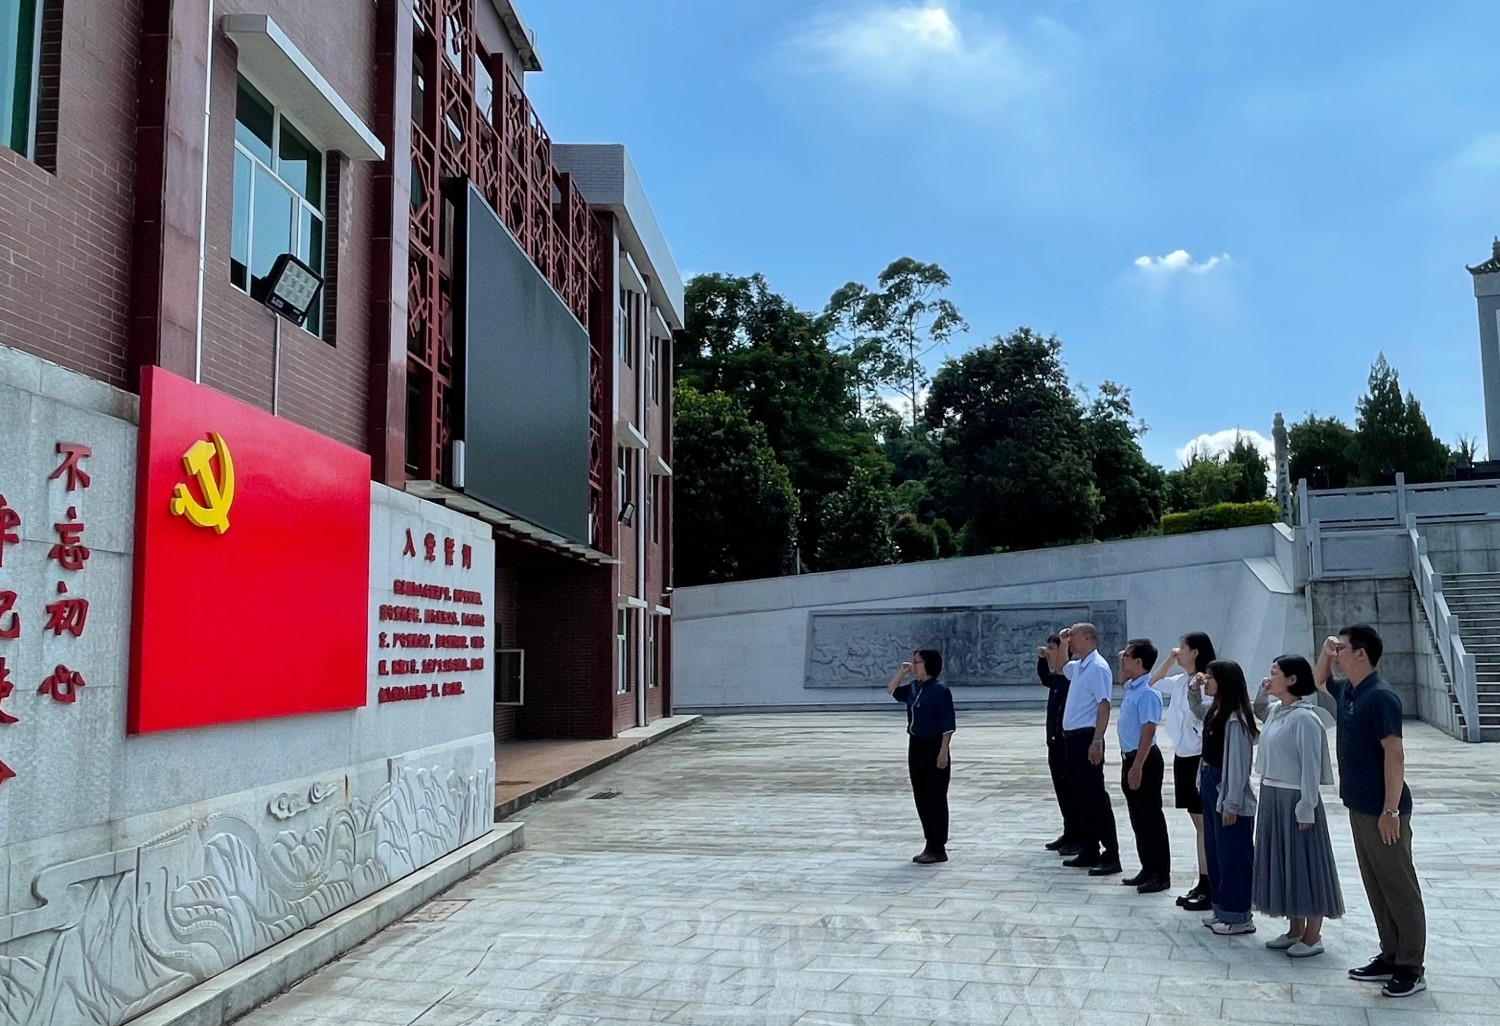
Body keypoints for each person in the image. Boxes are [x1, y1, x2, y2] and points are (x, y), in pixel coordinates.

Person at [1314, 626, 1428, 998]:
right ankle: (1390, 954)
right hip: (1359, 807)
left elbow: (1395, 754)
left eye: (1343, 649)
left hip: (1384, 810)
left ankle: (1410, 967)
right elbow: (1319, 680)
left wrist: (1390, 810)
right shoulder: (1349, 690)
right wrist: (1325, 651)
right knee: (1376, 885)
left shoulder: (1381, 697)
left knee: (1399, 887)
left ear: (1361, 653)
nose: (1337, 654)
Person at [1253, 655, 1344, 958]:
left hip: (1294, 797)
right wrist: (1262, 691)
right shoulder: (1279, 711)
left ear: (1292, 679)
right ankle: (1294, 928)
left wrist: (1306, 805)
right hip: (1272, 794)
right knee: (1283, 862)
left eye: (1274, 673)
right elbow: (1260, 710)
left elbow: (1310, 766)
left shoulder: (1305, 718)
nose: (1269, 677)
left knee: (1304, 863)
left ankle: (1312, 934)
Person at [1188, 659, 1259, 935]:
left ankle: (1238, 916)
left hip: (1226, 788)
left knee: (1233, 856)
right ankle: (1221, 909)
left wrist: (1232, 803)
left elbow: (1238, 766)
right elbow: (1197, 710)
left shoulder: (1235, 719)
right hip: (1210, 782)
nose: (1206, 680)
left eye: (1211, 677)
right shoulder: (1216, 711)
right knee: (1216, 851)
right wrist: (1193, 689)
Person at [1150, 632, 1217, 911]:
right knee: (1197, 823)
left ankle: (1209, 883)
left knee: (1204, 824)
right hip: (1183, 755)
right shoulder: (1180, 680)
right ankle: (1203, 881)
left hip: (1199, 755)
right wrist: (1169, 659)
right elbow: (1153, 682)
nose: (1179, 651)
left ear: (1196, 652)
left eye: (1183, 648)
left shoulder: (1206, 682)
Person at [1057, 623, 1121, 876]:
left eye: (1073, 636)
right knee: (1081, 797)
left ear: (1088, 638)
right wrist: (1062, 643)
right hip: (1073, 739)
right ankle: (1089, 849)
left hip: (1086, 738)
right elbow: (1060, 666)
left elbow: (1104, 705)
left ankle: (1111, 853)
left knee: (1095, 797)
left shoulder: (1097, 667)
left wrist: (1097, 741)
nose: (1070, 639)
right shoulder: (1080, 665)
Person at [886, 649, 956, 865]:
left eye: (918, 662)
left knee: (935, 797)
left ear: (929, 665)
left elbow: (947, 725)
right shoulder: (915, 688)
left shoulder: (940, 690)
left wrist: (943, 751)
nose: (914, 665)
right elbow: (892, 690)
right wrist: (902, 672)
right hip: (916, 745)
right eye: (914, 661)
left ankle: (938, 847)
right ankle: (929, 843)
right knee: (921, 796)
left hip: (933, 746)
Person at [1116, 638, 1171, 893]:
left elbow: (1148, 731)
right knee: (1138, 817)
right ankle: (1147, 867)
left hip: (1144, 759)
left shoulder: (1148, 692)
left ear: (1138, 662)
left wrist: (1137, 766)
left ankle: (1160, 873)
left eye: (1127, 656)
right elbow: (1121, 677)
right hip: (1130, 758)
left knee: (1150, 818)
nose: (1122, 658)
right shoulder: (1132, 686)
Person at [1037, 634, 1081, 854]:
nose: (1048, 652)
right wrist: (1041, 660)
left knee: (1072, 793)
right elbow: (1045, 678)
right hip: (1054, 744)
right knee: (1062, 792)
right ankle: (1069, 832)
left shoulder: (1072, 679)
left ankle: (1079, 836)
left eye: (1052, 648)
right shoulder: (1057, 678)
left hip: (1066, 744)